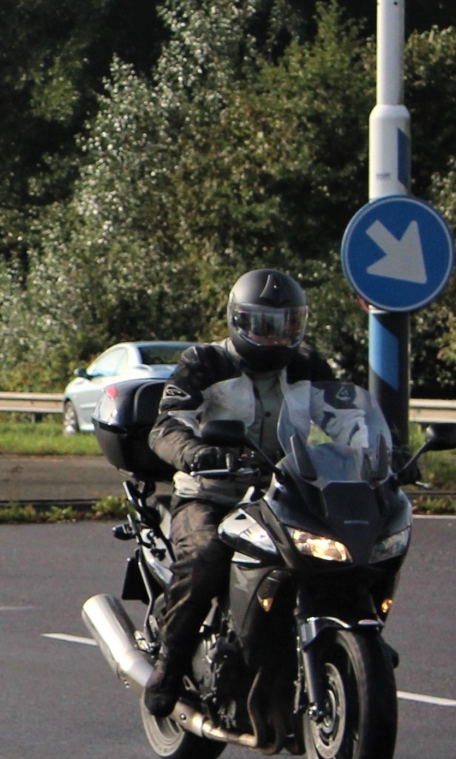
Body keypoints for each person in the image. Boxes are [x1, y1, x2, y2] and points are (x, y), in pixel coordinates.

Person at [142, 269, 335, 716]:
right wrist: (195, 453)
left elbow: (344, 420)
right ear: (238, 321)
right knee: (206, 556)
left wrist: (382, 453)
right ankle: (170, 665)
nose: (273, 338)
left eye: (285, 325)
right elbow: (167, 424)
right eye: (262, 326)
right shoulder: (204, 362)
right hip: (210, 493)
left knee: (329, 555)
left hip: (281, 496)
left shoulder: (309, 365)